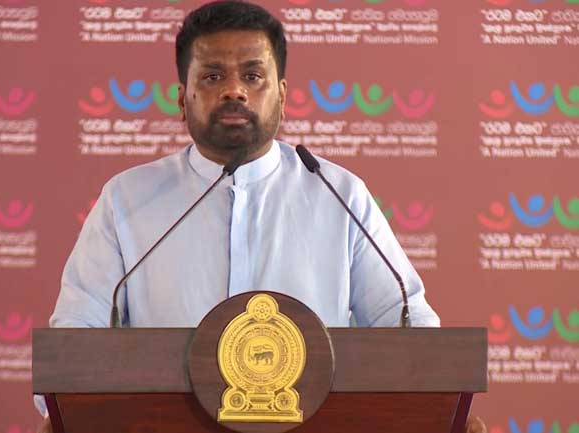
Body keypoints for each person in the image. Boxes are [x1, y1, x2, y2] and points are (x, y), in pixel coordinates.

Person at [36, 1, 475, 431]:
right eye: (212, 76)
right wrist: (66, 413)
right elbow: (75, 337)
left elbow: (407, 325)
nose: (234, 91)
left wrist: (442, 402)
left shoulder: (339, 195)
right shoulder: (128, 199)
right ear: (182, 100)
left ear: (281, 97)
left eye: (252, 76)